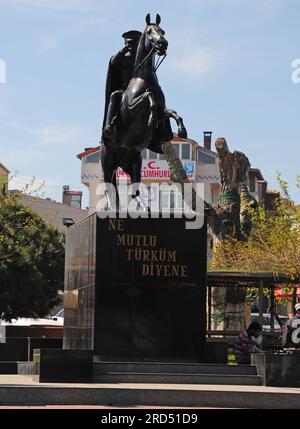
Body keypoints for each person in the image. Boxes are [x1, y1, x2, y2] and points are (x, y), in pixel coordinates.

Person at [102, 30, 142, 136]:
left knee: (157, 99)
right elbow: (113, 62)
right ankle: (109, 125)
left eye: (136, 43)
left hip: (141, 90)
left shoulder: (142, 59)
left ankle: (162, 131)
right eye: (130, 43)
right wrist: (122, 51)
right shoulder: (122, 57)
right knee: (114, 96)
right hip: (125, 89)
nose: (133, 46)